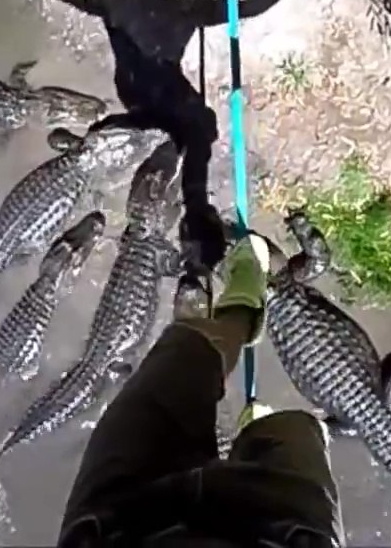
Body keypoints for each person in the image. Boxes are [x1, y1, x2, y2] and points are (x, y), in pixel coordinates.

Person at [13, 0, 321, 273]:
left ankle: (187, 217)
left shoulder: (112, 5)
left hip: (140, 109)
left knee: (118, 136)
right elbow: (250, 7)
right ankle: (199, 224)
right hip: (175, 106)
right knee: (197, 147)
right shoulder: (185, 8)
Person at [57, 234, 342, 547]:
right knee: (297, 430)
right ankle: (255, 432)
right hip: (279, 532)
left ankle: (239, 317)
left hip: (116, 525)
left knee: (181, 352)